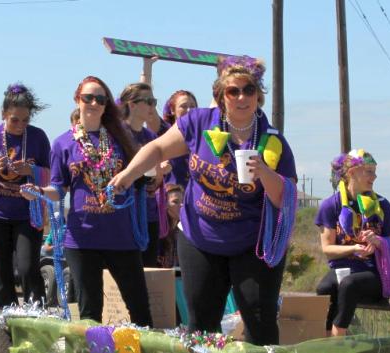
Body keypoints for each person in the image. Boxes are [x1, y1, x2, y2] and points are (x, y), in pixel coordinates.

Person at [110, 56, 297, 345]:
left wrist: (263, 171)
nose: (241, 97)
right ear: (221, 96)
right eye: (233, 91)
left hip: (252, 244)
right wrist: (127, 174)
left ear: (258, 95)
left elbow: (285, 198)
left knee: (259, 322)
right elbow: (158, 148)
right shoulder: (198, 123)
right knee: (201, 325)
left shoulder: (273, 140)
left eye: (248, 90)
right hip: (200, 238)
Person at [21, 76, 152, 326]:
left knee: (139, 309)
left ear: (106, 105)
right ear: (77, 99)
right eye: (88, 98)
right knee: (90, 312)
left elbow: (139, 176)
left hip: (121, 236)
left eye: (100, 99)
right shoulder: (62, 143)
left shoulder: (119, 138)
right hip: (82, 239)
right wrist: (38, 190)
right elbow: (59, 189)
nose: (94, 103)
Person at [0, 83, 49, 310]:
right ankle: (2, 315)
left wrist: (31, 171)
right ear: (3, 114)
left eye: (25, 120)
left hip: (27, 215)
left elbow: (52, 174)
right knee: (0, 268)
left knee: (27, 267)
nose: (20, 125)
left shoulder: (38, 137)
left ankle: (38, 314)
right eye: (14, 119)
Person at [315, 149, 390, 336]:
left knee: (349, 285)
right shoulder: (331, 205)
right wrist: (353, 248)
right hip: (342, 269)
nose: (374, 177)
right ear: (352, 172)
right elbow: (327, 249)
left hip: (374, 274)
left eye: (375, 171)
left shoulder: (382, 204)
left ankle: (339, 340)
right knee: (324, 288)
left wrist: (378, 241)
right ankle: (327, 340)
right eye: (369, 171)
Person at [119, 82, 167, 267]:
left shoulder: (152, 138)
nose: (152, 106)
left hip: (148, 213)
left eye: (154, 101)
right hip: (124, 212)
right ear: (132, 104)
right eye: (148, 101)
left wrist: (160, 173)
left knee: (148, 270)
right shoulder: (118, 134)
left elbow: (155, 182)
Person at [162, 90, 198, 188]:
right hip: (171, 199)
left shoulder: (202, 137)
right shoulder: (164, 133)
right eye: (183, 106)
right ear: (173, 110)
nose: (189, 110)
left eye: (192, 106)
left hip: (195, 198)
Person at [157, 183, 184, 268]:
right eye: (175, 202)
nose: (182, 205)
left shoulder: (183, 232)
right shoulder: (157, 232)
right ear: (164, 205)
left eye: (183, 202)